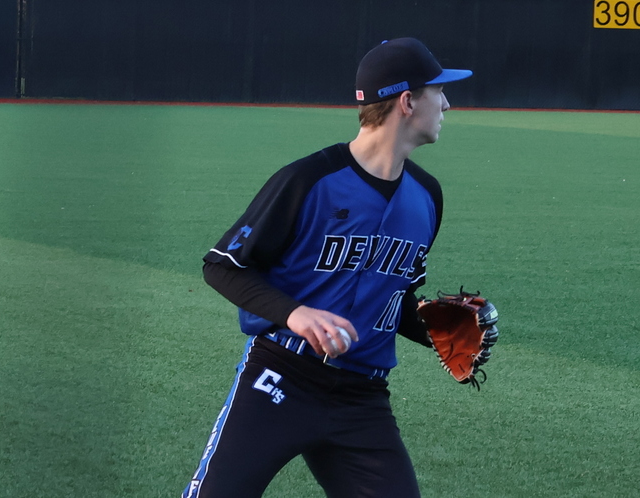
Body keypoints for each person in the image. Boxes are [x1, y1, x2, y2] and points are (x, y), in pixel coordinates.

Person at [182, 38, 473, 498]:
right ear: (406, 101)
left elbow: (392, 298)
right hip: (282, 377)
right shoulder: (309, 180)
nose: (447, 104)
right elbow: (223, 267)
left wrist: (438, 328)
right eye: (438, 91)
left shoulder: (427, 197)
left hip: (363, 398)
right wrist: (296, 314)